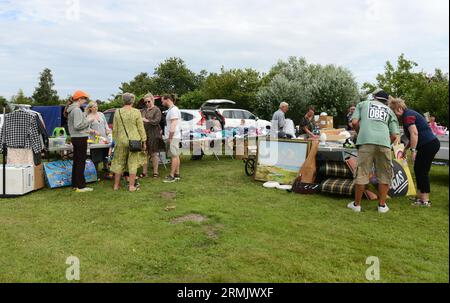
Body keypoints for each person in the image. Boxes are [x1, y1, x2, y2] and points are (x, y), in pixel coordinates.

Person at [348, 89, 399, 213]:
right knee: (384, 174)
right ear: (386, 101)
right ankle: (382, 206)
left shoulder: (363, 104)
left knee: (362, 173)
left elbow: (354, 122)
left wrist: (360, 133)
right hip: (384, 143)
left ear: (374, 97)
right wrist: (386, 143)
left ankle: (357, 205)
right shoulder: (390, 111)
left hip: (365, 142)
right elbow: (394, 134)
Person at [388, 97, 440, 207]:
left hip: (428, 145)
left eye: (394, 112)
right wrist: (405, 149)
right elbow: (412, 137)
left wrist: (413, 150)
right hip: (428, 144)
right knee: (418, 169)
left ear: (399, 108)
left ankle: (425, 201)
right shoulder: (408, 114)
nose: (395, 116)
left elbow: (414, 134)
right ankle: (420, 196)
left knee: (422, 171)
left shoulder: (408, 116)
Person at [110, 93, 147, 192]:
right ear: (133, 101)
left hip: (121, 140)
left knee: (119, 162)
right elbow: (140, 128)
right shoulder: (136, 112)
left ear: (123, 101)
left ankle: (116, 185)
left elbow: (115, 128)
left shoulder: (117, 112)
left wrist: (115, 140)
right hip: (134, 141)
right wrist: (144, 141)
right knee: (133, 163)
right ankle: (131, 186)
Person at [65, 90, 97, 193]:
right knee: (80, 162)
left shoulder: (72, 109)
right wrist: (89, 120)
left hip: (76, 137)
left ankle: (75, 185)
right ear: (79, 99)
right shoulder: (77, 110)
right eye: (84, 99)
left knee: (77, 162)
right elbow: (78, 125)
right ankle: (81, 186)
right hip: (80, 138)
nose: (85, 101)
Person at [140, 93, 162, 178]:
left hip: (154, 134)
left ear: (153, 100)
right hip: (144, 134)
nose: (147, 103)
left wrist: (147, 120)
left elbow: (157, 121)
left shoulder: (157, 110)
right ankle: (144, 172)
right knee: (144, 153)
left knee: (153, 153)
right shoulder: (143, 110)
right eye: (145, 102)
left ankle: (155, 172)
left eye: (148, 101)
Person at [86, 101, 111, 172]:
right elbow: (86, 128)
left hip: (104, 138)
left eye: (96, 106)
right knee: (96, 154)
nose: (96, 108)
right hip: (94, 139)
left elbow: (105, 124)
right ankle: (95, 170)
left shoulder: (101, 114)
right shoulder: (88, 117)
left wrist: (107, 129)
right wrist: (93, 131)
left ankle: (105, 167)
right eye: (94, 107)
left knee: (105, 153)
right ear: (90, 108)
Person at [162, 94, 182, 183]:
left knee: (174, 156)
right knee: (176, 155)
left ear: (167, 99)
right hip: (174, 136)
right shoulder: (171, 110)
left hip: (173, 137)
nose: (162, 102)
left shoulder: (173, 110)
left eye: (163, 100)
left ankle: (172, 175)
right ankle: (177, 174)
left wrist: (170, 137)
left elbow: (173, 124)